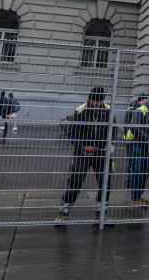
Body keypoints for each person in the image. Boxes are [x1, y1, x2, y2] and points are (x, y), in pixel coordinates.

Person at [55, 87, 113, 225]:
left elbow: (113, 128)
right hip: (83, 153)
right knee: (76, 179)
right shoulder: (80, 110)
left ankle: (101, 212)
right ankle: (64, 210)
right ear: (89, 99)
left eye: (100, 101)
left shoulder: (108, 110)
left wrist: (110, 144)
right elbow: (72, 134)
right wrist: (82, 147)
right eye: (94, 101)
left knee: (106, 180)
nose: (97, 104)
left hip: (101, 152)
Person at [127, 95, 149, 205]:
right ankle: (135, 196)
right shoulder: (141, 111)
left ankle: (138, 195)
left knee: (145, 171)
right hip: (136, 143)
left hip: (147, 144)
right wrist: (147, 137)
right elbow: (134, 127)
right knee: (137, 170)